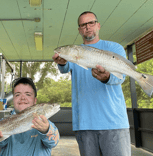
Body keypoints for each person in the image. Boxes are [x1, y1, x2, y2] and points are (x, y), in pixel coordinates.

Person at [52, 11, 131, 156]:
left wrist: (107, 78)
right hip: (84, 124)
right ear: (79, 29)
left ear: (98, 25)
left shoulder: (115, 48)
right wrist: (62, 63)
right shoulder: (74, 52)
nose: (87, 27)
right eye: (83, 25)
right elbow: (64, 68)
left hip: (114, 123)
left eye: (91, 23)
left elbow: (121, 77)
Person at [0, 77, 59, 156]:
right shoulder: (4, 121)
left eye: (28, 94)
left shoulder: (46, 125)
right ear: (13, 100)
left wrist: (46, 130)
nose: (22, 98)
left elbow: (53, 142)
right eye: (17, 94)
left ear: (35, 101)